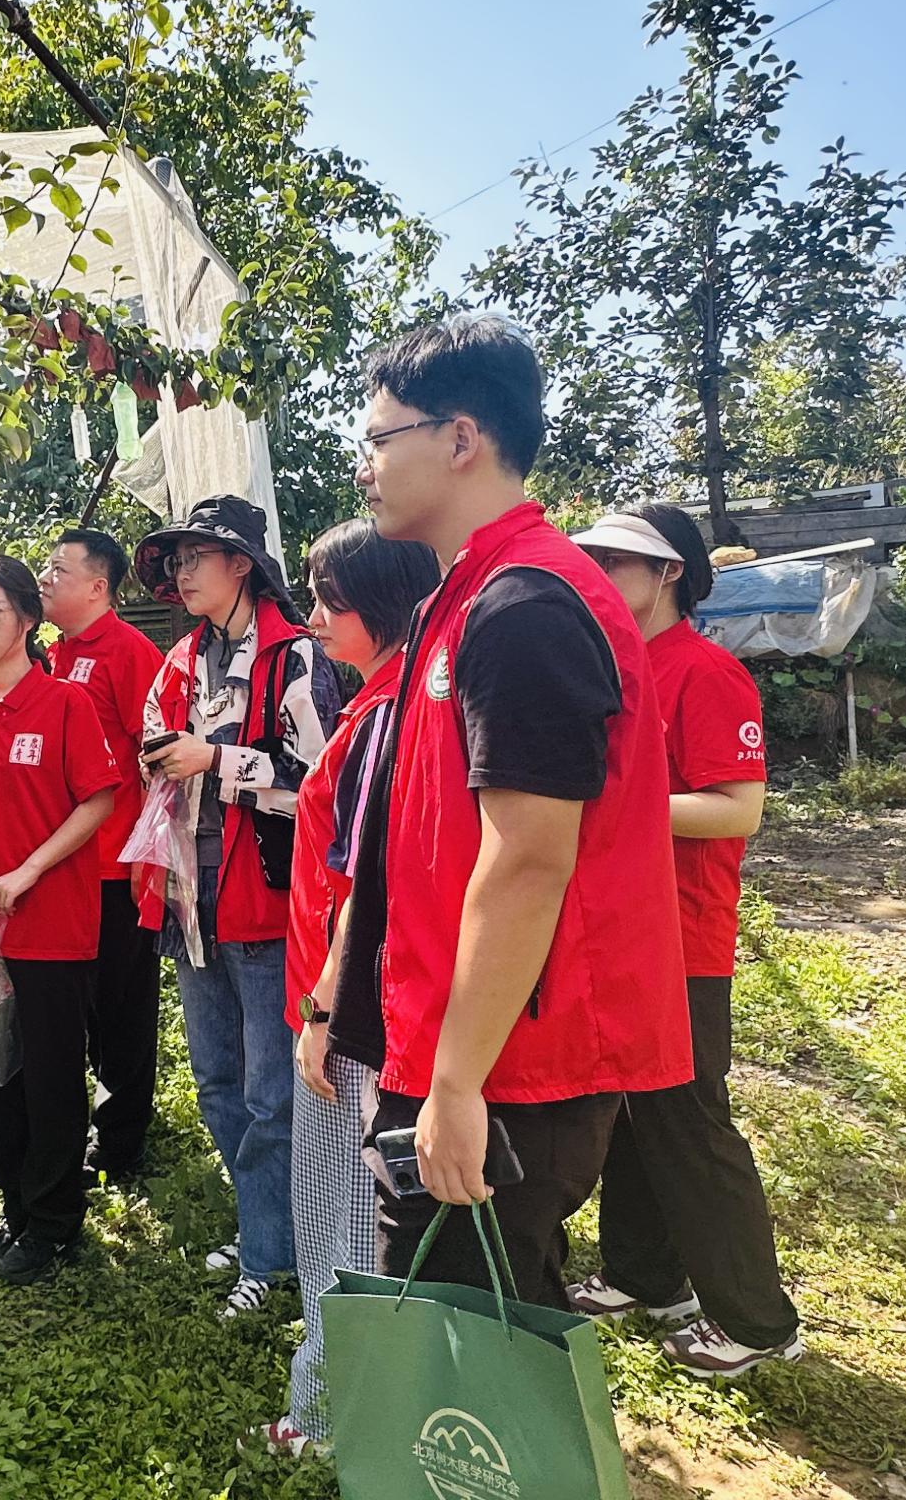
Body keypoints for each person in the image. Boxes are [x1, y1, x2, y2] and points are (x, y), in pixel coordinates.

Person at [319, 315, 693, 1311]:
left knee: (462, 1372)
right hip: (462, 1037)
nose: (362, 464)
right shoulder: (464, 592)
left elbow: (529, 859)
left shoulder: (521, 606)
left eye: (376, 438)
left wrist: (452, 1085)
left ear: (457, 438)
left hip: (506, 1064)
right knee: (493, 1324)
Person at [566, 503, 803, 1377]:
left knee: (691, 1121)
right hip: (622, 930)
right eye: (588, 560)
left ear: (670, 573)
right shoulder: (618, 670)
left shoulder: (704, 672)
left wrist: (607, 810)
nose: (598, 575)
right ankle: (644, 1273)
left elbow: (738, 805)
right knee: (633, 1106)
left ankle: (755, 1320)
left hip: (682, 936)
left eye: (617, 562)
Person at [250, 520, 439, 1459]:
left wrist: (322, 1015)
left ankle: (330, 1419)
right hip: (354, 1009)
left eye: (330, 601)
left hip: (354, 1020)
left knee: (346, 1223)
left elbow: (365, 883)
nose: (316, 619)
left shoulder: (390, 716)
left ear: (380, 606)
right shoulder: (384, 703)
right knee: (352, 1219)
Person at [131, 494, 344, 1320]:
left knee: (270, 1093)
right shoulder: (178, 660)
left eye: (196, 558)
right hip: (192, 901)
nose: (181, 573)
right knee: (218, 1084)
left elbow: (319, 790)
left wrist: (214, 760)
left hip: (266, 905)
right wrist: (165, 761)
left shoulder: (295, 659)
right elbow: (154, 751)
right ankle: (270, 1230)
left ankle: (271, 1254)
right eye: (175, 560)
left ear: (241, 565)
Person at [0, 555, 120, 1285]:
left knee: (50, 1073)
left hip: (50, 921)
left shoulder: (64, 703)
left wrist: (34, 866)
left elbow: (97, 798)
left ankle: (57, 1220)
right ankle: (17, 1204)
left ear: (28, 621)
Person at [38, 527, 168, 1182]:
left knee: (122, 1006)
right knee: (78, 1005)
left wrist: (152, 861)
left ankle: (121, 1144)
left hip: (116, 867)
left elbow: (158, 761)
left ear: (97, 586)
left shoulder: (129, 651)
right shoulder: (48, 655)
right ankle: (93, 1118)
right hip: (58, 866)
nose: (44, 578)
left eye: (57, 569)